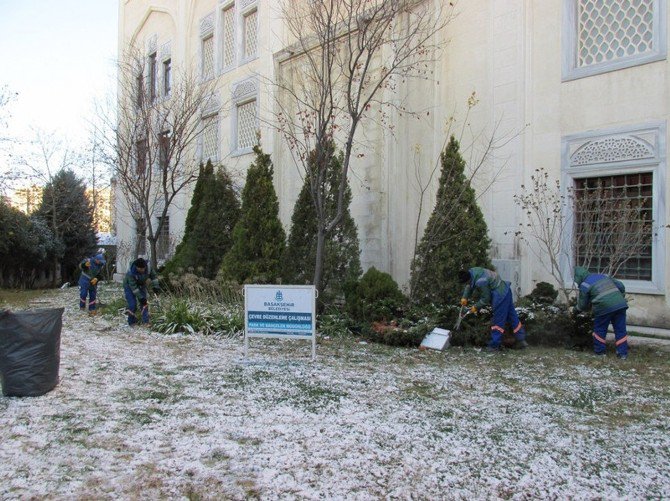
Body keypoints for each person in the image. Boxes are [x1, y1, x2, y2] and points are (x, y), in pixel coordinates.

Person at [458, 267, 528, 351]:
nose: (466, 284)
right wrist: (464, 297)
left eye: (466, 282)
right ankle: (521, 340)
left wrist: (475, 308)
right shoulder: (471, 271)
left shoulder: (481, 281)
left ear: (468, 279)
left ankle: (494, 346)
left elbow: (485, 298)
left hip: (500, 295)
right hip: (506, 290)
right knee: (512, 317)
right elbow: (469, 285)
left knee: (498, 320)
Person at [573, 266, 628, 359]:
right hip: (620, 304)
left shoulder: (585, 285)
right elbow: (621, 286)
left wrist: (575, 310)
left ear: (578, 277)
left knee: (600, 330)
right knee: (620, 330)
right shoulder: (603, 276)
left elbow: (583, 305)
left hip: (604, 307)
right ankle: (622, 354)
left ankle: (600, 353)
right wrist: (620, 295)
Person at [123, 257, 160, 326]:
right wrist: (140, 297)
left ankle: (145, 321)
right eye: (140, 269)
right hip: (129, 286)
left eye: (143, 268)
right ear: (136, 267)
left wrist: (156, 287)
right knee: (132, 304)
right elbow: (134, 287)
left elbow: (154, 277)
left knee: (144, 303)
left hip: (141, 284)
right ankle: (132, 322)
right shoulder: (130, 272)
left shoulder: (148, 268)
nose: (142, 270)